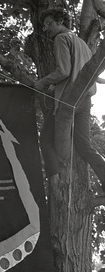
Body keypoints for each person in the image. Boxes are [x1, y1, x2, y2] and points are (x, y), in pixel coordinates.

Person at [34, 8, 105, 195]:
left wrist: (42, 82)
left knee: (45, 138)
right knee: (84, 145)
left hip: (70, 100)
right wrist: (54, 86)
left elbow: (64, 71)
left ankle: (55, 181)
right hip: (86, 99)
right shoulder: (82, 43)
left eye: (49, 23)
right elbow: (82, 70)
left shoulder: (61, 39)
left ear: (60, 21)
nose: (45, 28)